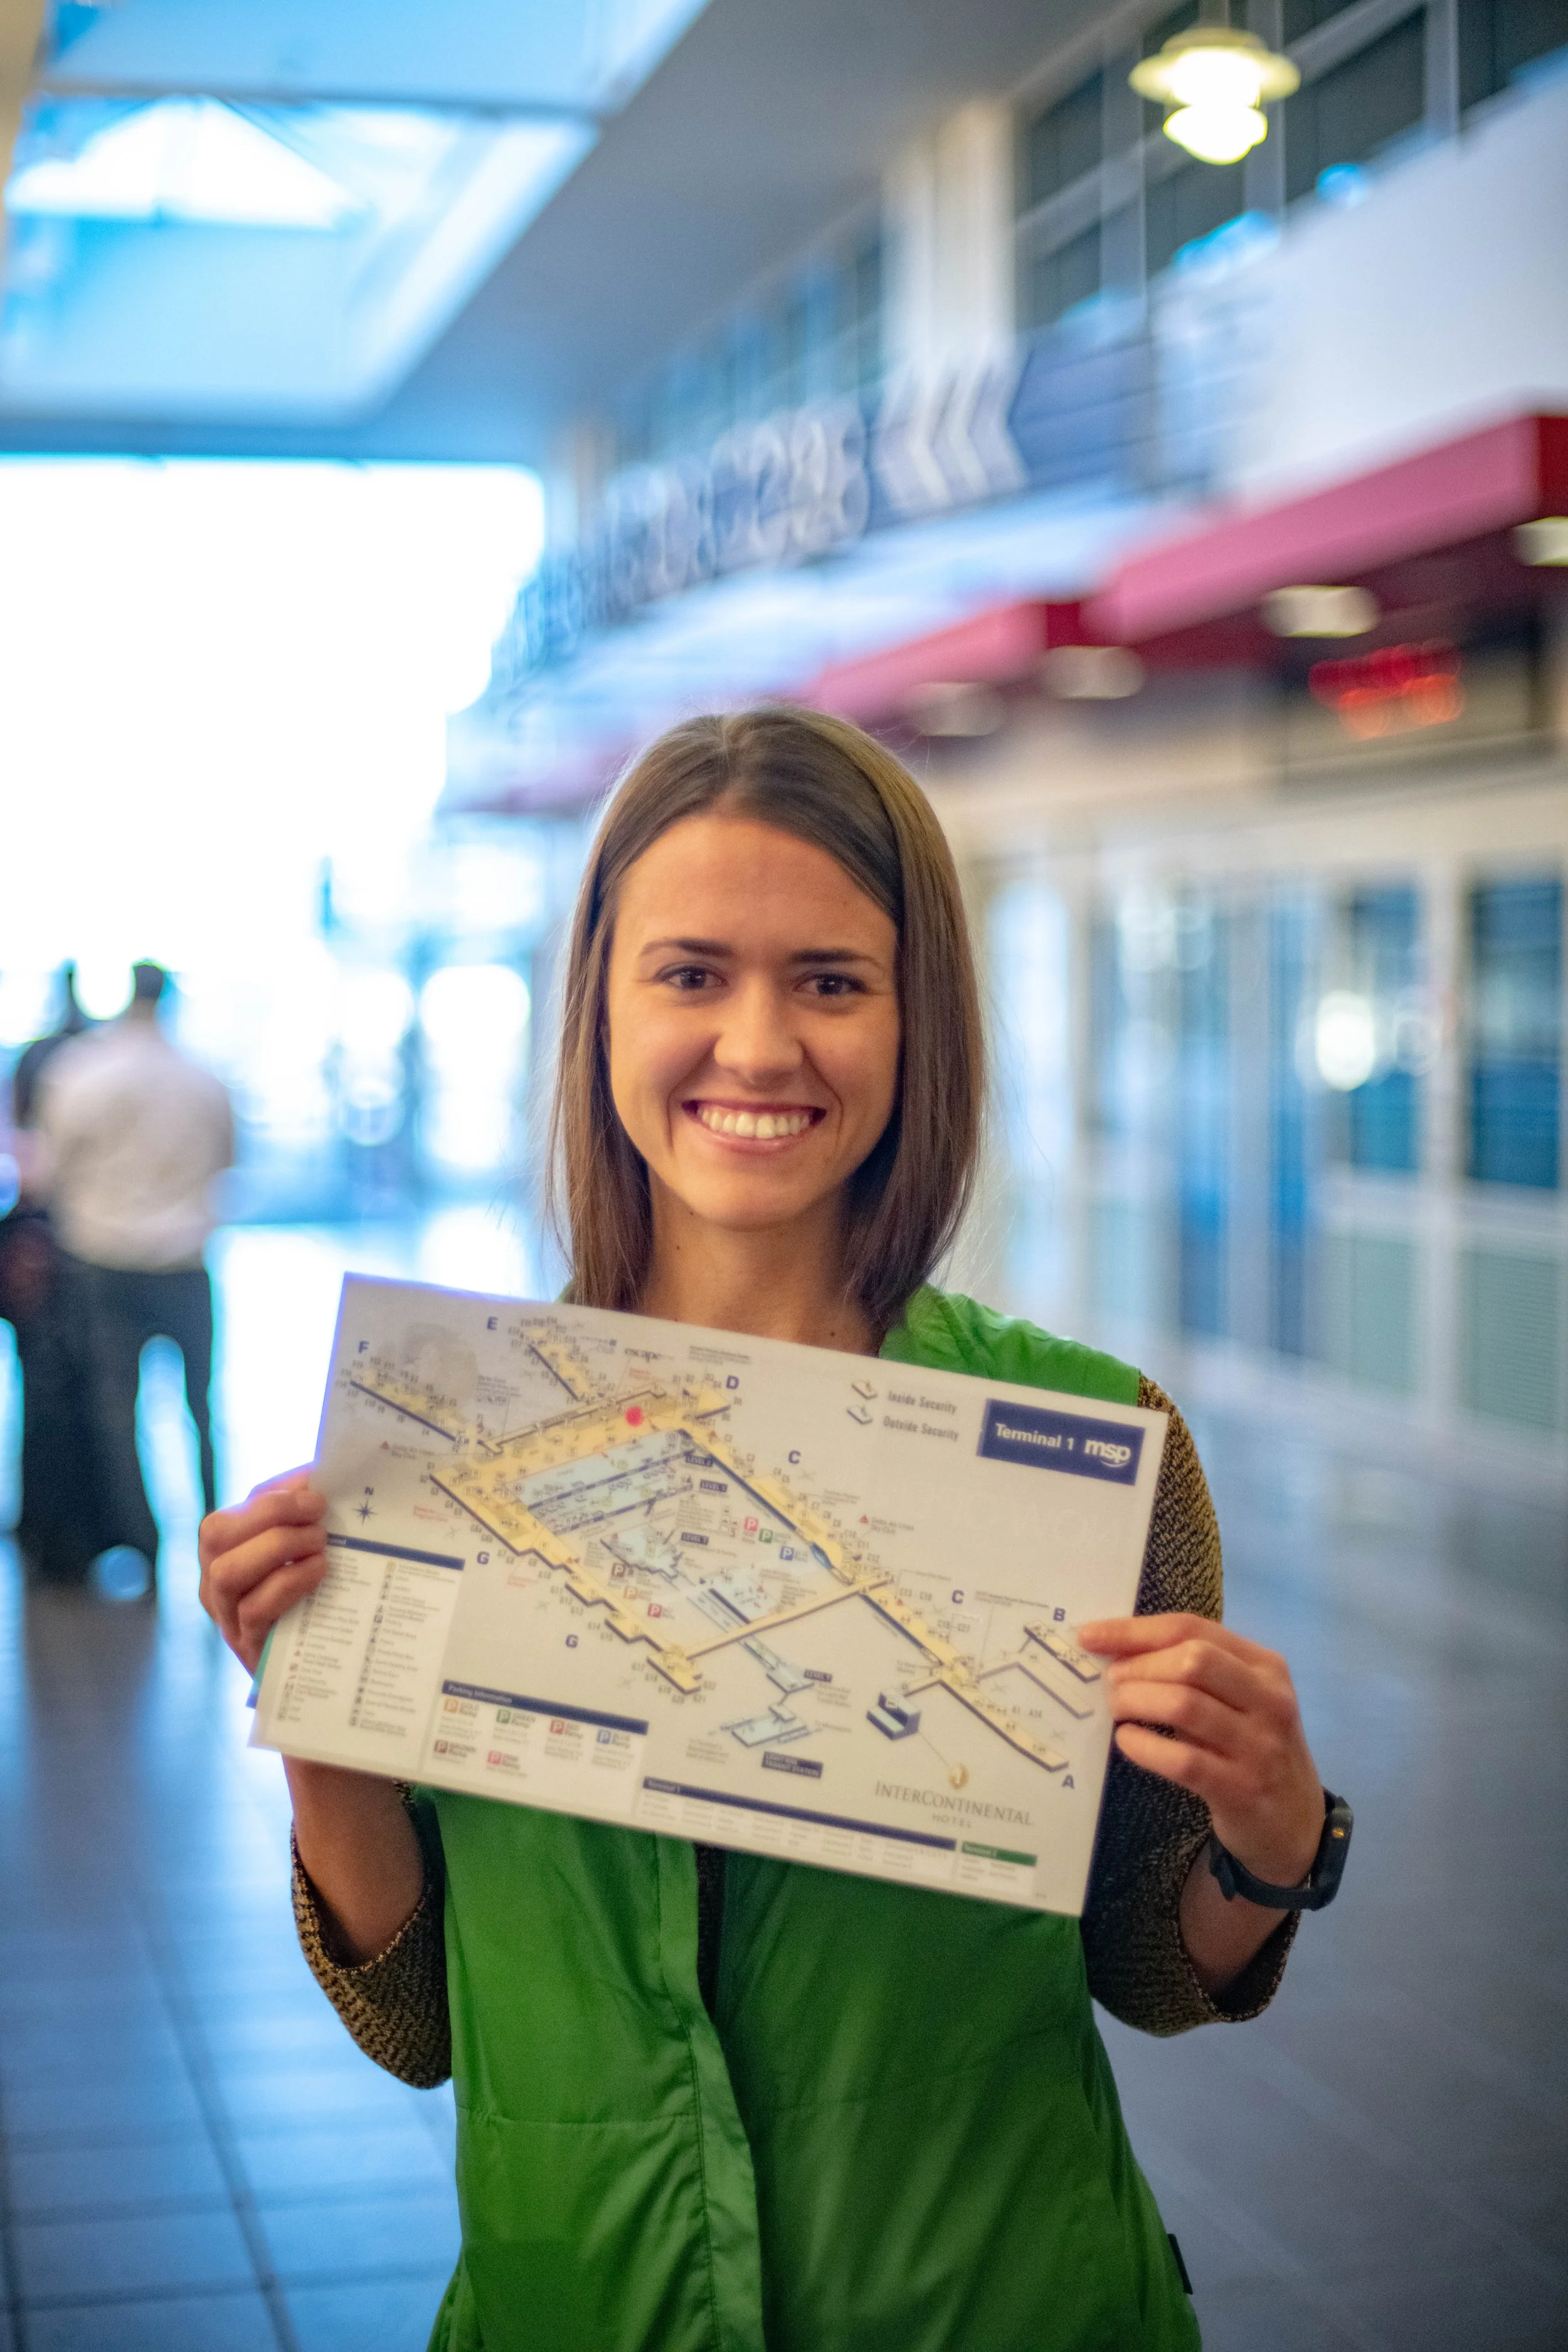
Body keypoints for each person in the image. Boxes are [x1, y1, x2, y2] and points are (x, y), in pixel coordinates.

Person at [199, 711, 1344, 2352]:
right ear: (597, 1000)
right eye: (687, 974)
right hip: (578, 2300)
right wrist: (321, 1717)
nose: (755, 1044)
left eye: (828, 978)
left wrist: (1274, 1832)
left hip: (996, 2299)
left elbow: (1156, 1969)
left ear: (914, 1015)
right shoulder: (448, 1446)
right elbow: (418, 2015)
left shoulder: (1093, 1448)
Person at [37, 960, 234, 1587]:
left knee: (118, 1413)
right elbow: (227, 1161)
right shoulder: (204, 1080)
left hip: (105, 1263)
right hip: (184, 1262)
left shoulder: (82, 1075)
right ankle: (219, 1539)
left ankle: (145, 1550)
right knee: (200, 1406)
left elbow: (50, 1169)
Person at [0, 964, 114, 1581]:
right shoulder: (86, 1062)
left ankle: (47, 1530)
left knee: (44, 1388)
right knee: (80, 1392)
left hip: (43, 1243)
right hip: (73, 1249)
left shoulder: (48, 1060)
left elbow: (32, 1160)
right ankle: (76, 1532)